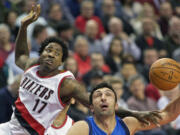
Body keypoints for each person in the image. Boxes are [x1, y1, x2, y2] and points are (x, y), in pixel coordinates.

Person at [0, 4, 162, 135]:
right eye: (49, 50)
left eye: (57, 54)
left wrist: (135, 114)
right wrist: (24, 26)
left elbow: (98, 104)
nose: (51, 55)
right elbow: (20, 55)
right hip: (10, 127)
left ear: (60, 62)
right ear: (41, 53)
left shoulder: (66, 84)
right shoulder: (32, 65)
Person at [67, 82, 180, 135]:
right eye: (98, 95)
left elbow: (168, 115)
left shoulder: (128, 124)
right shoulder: (83, 127)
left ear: (116, 105)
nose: (103, 98)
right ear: (91, 107)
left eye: (108, 94)